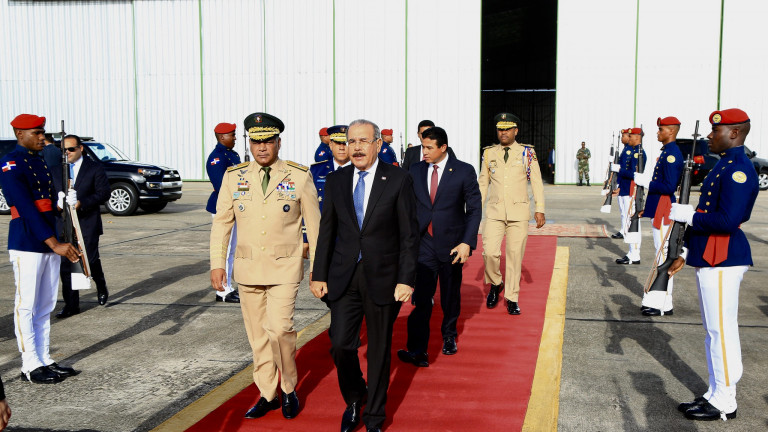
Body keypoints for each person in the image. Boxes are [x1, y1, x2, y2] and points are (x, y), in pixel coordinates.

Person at [210, 112, 320, 421]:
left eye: (267, 141)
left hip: (285, 268)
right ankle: (267, 392)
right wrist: (218, 263)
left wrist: (318, 268)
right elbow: (221, 224)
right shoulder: (235, 176)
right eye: (256, 141)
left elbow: (316, 227)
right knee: (258, 336)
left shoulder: (298, 176)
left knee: (280, 330)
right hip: (247, 269)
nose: (261, 148)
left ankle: (288, 388)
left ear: (278, 142)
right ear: (250, 143)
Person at [311, 119, 419, 432]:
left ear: (377, 145)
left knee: (379, 350)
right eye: (350, 141)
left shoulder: (397, 179)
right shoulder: (336, 180)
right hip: (344, 276)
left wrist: (406, 278)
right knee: (341, 345)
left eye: (362, 141)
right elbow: (327, 232)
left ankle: (373, 417)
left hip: (384, 276)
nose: (355, 147)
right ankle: (356, 396)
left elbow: (409, 234)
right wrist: (319, 274)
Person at [669, 108, 758, 421]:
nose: (710, 136)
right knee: (713, 331)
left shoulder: (739, 169)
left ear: (733, 133)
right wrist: (684, 251)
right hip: (709, 254)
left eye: (715, 131)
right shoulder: (725, 165)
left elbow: (730, 219)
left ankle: (726, 401)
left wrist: (689, 216)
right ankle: (714, 391)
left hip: (723, 257)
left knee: (721, 331)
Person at [0, 114, 81, 384]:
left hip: (49, 238)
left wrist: (62, 202)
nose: (43, 138)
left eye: (43, 132)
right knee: (27, 305)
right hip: (28, 241)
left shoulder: (39, 160)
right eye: (36, 133)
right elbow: (24, 207)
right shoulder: (11, 163)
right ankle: (29, 365)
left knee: (45, 304)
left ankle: (44, 358)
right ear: (19, 134)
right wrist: (53, 242)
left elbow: (45, 203)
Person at [397, 126, 481, 367]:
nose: (424, 152)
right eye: (423, 147)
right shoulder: (415, 170)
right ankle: (418, 349)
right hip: (424, 243)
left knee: (449, 296)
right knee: (421, 297)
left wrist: (467, 242)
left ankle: (449, 336)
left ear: (443, 147)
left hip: (452, 245)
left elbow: (474, 210)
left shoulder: (463, 171)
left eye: (429, 148)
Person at [478, 112, 545, 315]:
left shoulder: (527, 153)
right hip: (495, 211)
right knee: (489, 252)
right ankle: (496, 282)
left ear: (516, 130)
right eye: (500, 129)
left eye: (507, 129)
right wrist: (473, 212)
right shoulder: (489, 153)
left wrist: (539, 209)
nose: (503, 132)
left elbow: (536, 182)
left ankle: (512, 297)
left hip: (518, 212)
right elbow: (483, 183)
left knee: (515, 256)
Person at [54, 135, 111, 318]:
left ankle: (100, 286)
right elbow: (49, 193)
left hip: (87, 223)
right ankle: (71, 305)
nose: (67, 153)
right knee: (66, 264)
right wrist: (58, 204)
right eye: (63, 150)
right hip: (64, 224)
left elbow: (103, 193)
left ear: (81, 149)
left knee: (90, 260)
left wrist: (81, 202)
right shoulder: (56, 169)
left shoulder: (94, 168)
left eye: (71, 149)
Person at [635, 117, 684, 316]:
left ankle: (662, 303)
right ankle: (661, 301)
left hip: (665, 209)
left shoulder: (672, 154)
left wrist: (648, 182)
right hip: (659, 208)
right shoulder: (667, 153)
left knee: (665, 256)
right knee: (661, 255)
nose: (658, 133)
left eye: (661, 129)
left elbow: (669, 186)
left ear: (671, 131)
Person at [205, 122, 242, 303]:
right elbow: (222, 186)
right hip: (223, 208)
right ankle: (222, 291)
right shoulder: (217, 158)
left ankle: (228, 287)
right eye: (232, 135)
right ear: (222, 137)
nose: (235, 138)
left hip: (235, 207)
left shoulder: (231, 154)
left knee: (232, 249)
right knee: (225, 250)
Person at [611, 128, 646, 264]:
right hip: (626, 188)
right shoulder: (632, 151)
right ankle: (631, 252)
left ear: (637, 137)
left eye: (630, 136)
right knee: (627, 220)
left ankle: (635, 254)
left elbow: (634, 174)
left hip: (632, 190)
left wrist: (619, 170)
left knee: (633, 222)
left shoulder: (639, 154)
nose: (628, 138)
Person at [310, 124, 350, 210]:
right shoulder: (316, 171)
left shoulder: (361, 171)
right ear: (331, 145)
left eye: (345, 143)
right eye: (338, 143)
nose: (341, 148)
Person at [610, 129, 631, 239]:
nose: (622, 138)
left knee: (626, 210)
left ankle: (626, 230)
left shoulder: (629, 151)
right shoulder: (625, 149)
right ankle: (623, 229)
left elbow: (626, 170)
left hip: (626, 185)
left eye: (624, 136)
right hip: (621, 183)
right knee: (623, 210)